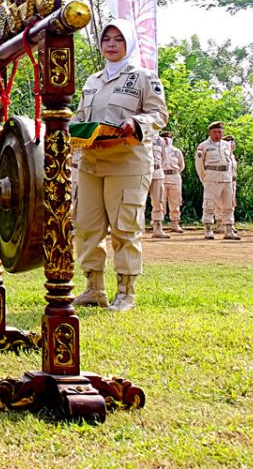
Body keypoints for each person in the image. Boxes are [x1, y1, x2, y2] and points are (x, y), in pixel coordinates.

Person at [72, 19, 167, 312]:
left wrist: (135, 123)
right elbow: (79, 116)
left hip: (127, 162)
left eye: (118, 39)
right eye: (106, 39)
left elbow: (159, 114)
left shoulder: (143, 78)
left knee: (125, 228)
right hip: (91, 162)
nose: (111, 44)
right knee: (87, 227)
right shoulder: (92, 81)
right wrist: (69, 128)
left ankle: (126, 292)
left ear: (129, 44)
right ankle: (93, 288)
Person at [196, 122, 238, 241]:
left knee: (228, 205)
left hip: (226, 177)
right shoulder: (203, 146)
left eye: (220, 132)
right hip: (212, 177)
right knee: (209, 204)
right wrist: (205, 179)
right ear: (210, 132)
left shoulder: (226, 145)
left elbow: (230, 162)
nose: (218, 134)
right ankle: (208, 229)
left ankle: (229, 229)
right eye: (215, 132)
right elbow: (199, 165)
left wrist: (232, 176)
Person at [160, 131, 185, 233]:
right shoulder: (158, 151)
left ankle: (175, 223)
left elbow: (181, 165)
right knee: (160, 201)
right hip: (162, 177)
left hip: (174, 177)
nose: (166, 140)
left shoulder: (177, 151)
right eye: (164, 138)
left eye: (168, 138)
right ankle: (159, 224)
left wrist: (175, 173)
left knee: (175, 201)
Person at [147, 132, 170, 238]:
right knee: (137, 201)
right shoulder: (140, 133)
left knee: (158, 201)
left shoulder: (160, 140)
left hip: (157, 172)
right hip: (142, 171)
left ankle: (158, 228)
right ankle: (136, 228)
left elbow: (164, 157)